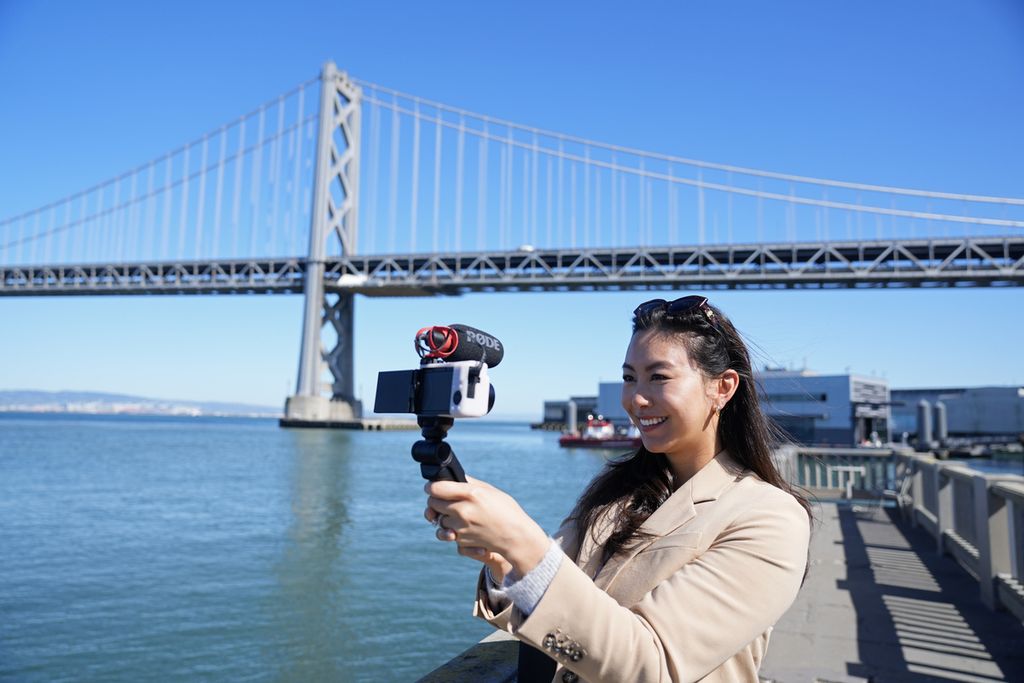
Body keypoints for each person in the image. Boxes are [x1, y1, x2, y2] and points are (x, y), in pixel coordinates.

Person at [424, 295, 812, 682]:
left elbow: (653, 664)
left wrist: (521, 539)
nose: (636, 399)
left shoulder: (770, 517)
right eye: (629, 378)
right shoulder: (616, 490)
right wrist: (502, 559)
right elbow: (551, 597)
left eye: (658, 377)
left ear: (723, 388)